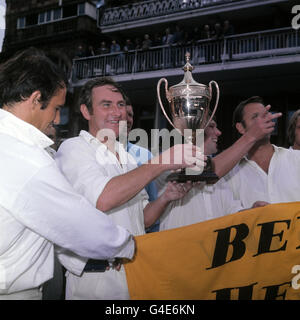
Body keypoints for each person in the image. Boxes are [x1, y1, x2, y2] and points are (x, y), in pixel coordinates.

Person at [0, 48, 135, 300]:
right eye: (55, 107)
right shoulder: (26, 156)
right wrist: (127, 245)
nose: (58, 118)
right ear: (35, 99)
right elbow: (74, 222)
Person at [55, 77, 205, 299]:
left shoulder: (127, 158)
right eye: (106, 105)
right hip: (98, 281)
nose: (117, 112)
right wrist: (161, 162)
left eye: (121, 104)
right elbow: (103, 198)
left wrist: (166, 198)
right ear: (86, 111)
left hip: (135, 274)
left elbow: (142, 219)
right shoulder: (73, 149)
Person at [158, 119, 267, 231]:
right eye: (211, 126)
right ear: (193, 130)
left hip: (214, 246)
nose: (218, 132)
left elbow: (232, 212)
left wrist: (252, 212)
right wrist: (250, 137)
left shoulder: (220, 176)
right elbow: (206, 170)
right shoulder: (168, 166)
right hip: (179, 246)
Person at [223, 96, 300, 209]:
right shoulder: (230, 173)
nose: (262, 121)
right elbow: (226, 213)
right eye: (255, 117)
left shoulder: (296, 159)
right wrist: (251, 213)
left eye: (264, 116)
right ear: (240, 128)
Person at [126, 102, 159, 232]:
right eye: (123, 115)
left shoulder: (145, 155)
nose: (127, 119)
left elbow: (152, 199)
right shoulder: (95, 153)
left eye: (130, 115)